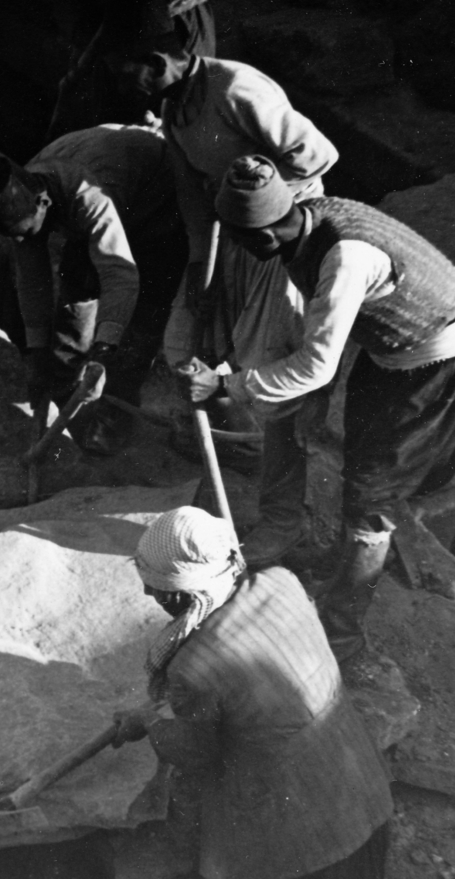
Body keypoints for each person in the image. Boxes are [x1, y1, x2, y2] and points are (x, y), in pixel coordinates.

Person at [178, 156, 455, 662]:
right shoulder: (308, 217)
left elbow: (317, 367)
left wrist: (227, 386)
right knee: (359, 461)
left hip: (437, 354)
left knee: (371, 493)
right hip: (393, 345)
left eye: (238, 241)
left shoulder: (343, 258)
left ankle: (341, 633)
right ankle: (343, 558)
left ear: (262, 237)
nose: (237, 250)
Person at [113, 506, 392, 879]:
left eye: (155, 589)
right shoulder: (280, 583)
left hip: (282, 831)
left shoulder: (194, 668)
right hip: (356, 790)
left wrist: (151, 727)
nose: (150, 599)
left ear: (180, 594)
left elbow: (196, 753)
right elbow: (244, 699)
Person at [120, 45, 339, 564]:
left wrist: (257, 196)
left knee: (272, 373)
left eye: (125, 67)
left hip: (279, 237)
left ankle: (283, 518)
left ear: (156, 59)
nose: (123, 81)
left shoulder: (236, 89)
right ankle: (232, 440)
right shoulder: (174, 110)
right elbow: (192, 197)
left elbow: (317, 156)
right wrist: (200, 263)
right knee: (185, 342)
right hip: (226, 239)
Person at [0, 124, 184, 447]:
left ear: (44, 203)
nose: (21, 241)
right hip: (111, 182)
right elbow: (32, 279)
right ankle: (70, 397)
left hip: (158, 200)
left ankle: (114, 415)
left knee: (143, 313)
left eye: (25, 232)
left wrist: (104, 350)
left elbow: (119, 275)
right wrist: (36, 351)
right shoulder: (28, 190)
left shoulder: (89, 195)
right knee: (78, 287)